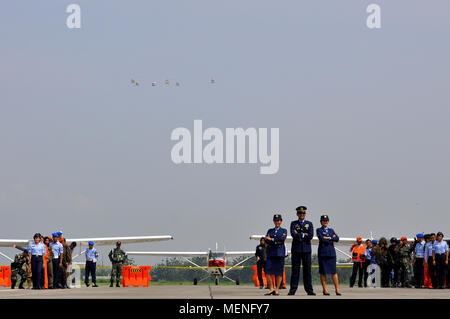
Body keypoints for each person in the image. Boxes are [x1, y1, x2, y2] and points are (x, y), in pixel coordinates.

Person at [288, 205, 315, 296]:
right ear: (297, 214)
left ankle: (309, 290)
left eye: (303, 213)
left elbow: (310, 236)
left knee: (307, 271)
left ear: (305, 214)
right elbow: (293, 234)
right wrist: (304, 235)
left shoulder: (309, 224)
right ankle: (292, 290)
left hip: (306, 251)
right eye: (300, 213)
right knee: (295, 271)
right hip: (296, 250)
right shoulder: (293, 223)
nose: (301, 214)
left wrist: (300, 234)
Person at [316, 214, 341, 295]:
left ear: (328, 221)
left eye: (326, 221)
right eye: (323, 221)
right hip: (323, 253)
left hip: (331, 253)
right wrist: (331, 238)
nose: (325, 222)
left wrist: (329, 237)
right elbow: (322, 239)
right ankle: (325, 290)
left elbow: (337, 239)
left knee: (334, 272)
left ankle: (337, 289)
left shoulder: (331, 230)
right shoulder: (319, 230)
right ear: (321, 222)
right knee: (323, 272)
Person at [264, 214, 287, 296]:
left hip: (280, 253)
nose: (277, 222)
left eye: (279, 220)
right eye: (276, 220)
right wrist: (276, 241)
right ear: (274, 221)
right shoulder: (270, 231)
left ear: (281, 221)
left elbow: (282, 239)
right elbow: (266, 240)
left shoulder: (284, 230)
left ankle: (277, 289)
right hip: (271, 253)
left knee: (279, 272)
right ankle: (271, 289)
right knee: (268, 271)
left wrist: (272, 239)